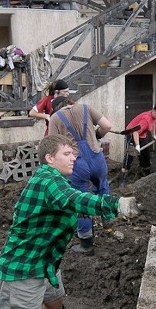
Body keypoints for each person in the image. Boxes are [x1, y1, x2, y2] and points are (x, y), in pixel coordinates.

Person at [0, 134, 140, 309]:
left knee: (54, 301)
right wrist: (117, 205)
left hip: (46, 262)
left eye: (73, 153)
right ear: (50, 158)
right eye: (67, 153)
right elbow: (74, 200)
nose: (74, 157)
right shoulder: (47, 181)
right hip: (25, 267)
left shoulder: (55, 180)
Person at [48, 95, 113, 254]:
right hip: (97, 158)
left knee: (81, 200)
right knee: (103, 187)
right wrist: (97, 135)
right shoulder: (85, 108)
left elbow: (52, 144)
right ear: (70, 102)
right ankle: (108, 220)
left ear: (55, 108)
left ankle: (86, 244)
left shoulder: (55, 118)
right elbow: (107, 126)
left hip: (77, 163)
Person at [120, 103, 156, 185]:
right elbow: (135, 132)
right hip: (131, 133)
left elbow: (153, 124)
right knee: (130, 155)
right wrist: (137, 146)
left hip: (142, 135)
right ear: (153, 111)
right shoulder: (146, 119)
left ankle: (146, 174)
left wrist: (153, 135)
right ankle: (123, 178)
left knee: (145, 154)